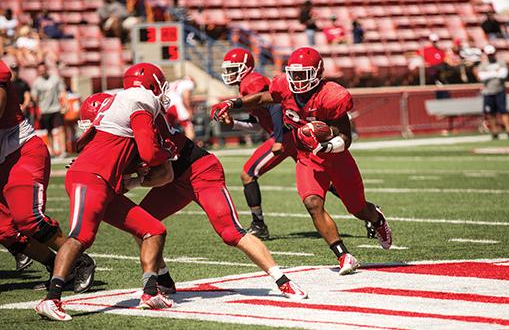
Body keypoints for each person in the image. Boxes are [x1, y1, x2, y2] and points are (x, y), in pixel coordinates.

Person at [76, 90, 308, 300]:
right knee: (142, 224)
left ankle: (282, 280)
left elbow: (164, 174)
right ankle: (164, 279)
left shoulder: (143, 126)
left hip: (201, 172)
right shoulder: (122, 134)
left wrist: (131, 182)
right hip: (176, 180)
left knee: (230, 232)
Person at [211, 47, 393, 275]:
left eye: (302, 74)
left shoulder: (331, 95)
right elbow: (264, 98)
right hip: (307, 157)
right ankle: (343, 255)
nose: (296, 79)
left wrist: (323, 144)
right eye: (294, 74)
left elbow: (345, 138)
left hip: (335, 157)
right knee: (312, 204)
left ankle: (376, 219)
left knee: (357, 208)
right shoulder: (284, 86)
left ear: (317, 73)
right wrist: (233, 104)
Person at [35, 63, 176, 321]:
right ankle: (51, 299)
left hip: (103, 181)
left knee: (154, 230)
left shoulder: (120, 100)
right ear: (153, 84)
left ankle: (150, 292)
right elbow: (148, 153)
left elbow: (111, 148)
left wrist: (134, 174)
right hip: (92, 178)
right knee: (81, 236)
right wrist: (166, 152)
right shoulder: (141, 98)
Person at [0, 60, 95, 294]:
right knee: (4, 230)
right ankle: (58, 266)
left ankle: (79, 260)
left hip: (19, 152)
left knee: (28, 218)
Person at [218, 48, 294, 240]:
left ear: (245, 68)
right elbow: (258, 125)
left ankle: (259, 225)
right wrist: (233, 124)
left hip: (285, 135)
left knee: (248, 174)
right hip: (287, 134)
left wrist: (278, 139)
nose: (229, 73)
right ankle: (367, 214)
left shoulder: (252, 81)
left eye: (234, 69)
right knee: (321, 182)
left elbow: (274, 105)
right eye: (228, 69)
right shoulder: (246, 84)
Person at [476, 45, 509, 139]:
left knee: (503, 111)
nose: (490, 56)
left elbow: (503, 74)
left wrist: (489, 74)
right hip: (488, 92)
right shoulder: (483, 65)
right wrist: (495, 73)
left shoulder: (501, 62)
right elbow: (481, 76)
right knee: (491, 113)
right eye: (489, 54)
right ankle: (494, 131)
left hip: (500, 90)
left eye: (492, 54)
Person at [31, 63, 67, 157]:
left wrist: (64, 103)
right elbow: (35, 97)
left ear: (46, 69)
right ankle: (52, 152)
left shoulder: (55, 78)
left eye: (43, 69)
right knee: (49, 131)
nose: (42, 71)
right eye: (40, 70)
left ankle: (63, 150)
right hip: (44, 110)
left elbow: (62, 91)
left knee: (61, 129)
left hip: (56, 108)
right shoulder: (36, 83)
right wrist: (37, 109)